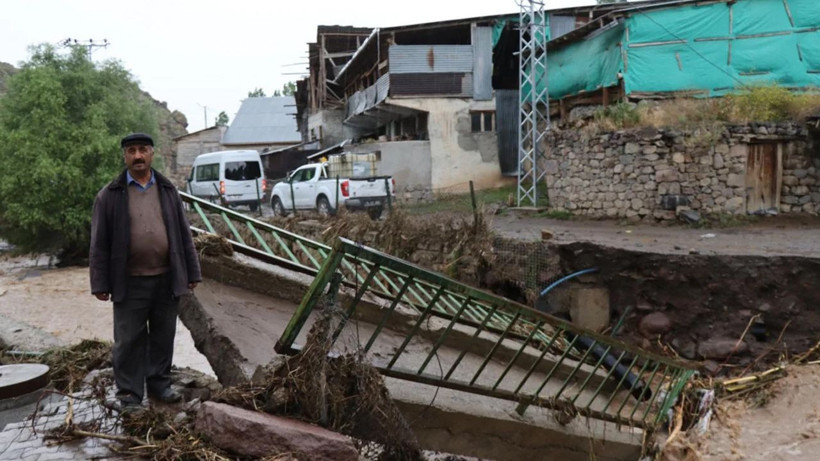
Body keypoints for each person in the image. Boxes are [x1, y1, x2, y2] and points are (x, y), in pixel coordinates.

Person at [89, 133, 202, 410]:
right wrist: (99, 283)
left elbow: (183, 234)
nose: (137, 156)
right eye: (131, 151)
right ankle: (129, 394)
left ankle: (159, 384)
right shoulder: (109, 195)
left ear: (152, 154)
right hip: (129, 280)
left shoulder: (167, 190)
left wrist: (192, 272)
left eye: (142, 150)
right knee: (128, 340)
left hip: (166, 277)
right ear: (125, 156)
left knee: (163, 335)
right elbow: (98, 243)